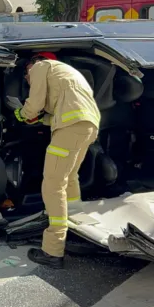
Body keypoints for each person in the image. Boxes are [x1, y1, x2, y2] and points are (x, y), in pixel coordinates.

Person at [14, 52, 100, 269]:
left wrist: (21, 114)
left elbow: (34, 104)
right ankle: (78, 232)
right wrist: (40, 118)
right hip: (87, 126)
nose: (27, 78)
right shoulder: (67, 74)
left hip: (71, 128)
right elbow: (56, 111)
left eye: (26, 75)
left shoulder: (40, 66)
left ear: (31, 65)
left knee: (53, 185)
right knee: (70, 178)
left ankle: (53, 250)